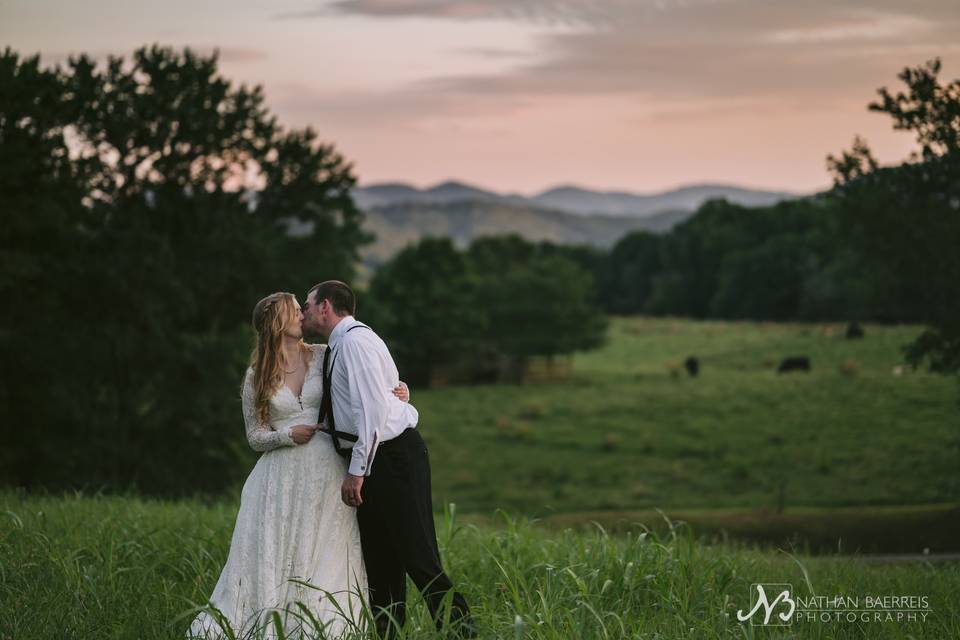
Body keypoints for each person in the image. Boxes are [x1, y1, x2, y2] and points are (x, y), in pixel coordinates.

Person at [188, 292, 412, 639]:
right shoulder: (257, 375)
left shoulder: (324, 356)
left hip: (325, 471)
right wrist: (287, 435)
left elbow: (366, 385)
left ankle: (322, 627)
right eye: (295, 311)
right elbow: (255, 436)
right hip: (277, 477)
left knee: (324, 547)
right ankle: (268, 621)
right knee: (275, 549)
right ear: (277, 322)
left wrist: (398, 391)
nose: (302, 317)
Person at [301, 280, 475, 639]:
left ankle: (462, 632)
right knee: (381, 561)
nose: (303, 312)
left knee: (417, 555)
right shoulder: (342, 344)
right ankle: (388, 634)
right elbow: (384, 391)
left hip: (392, 458)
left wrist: (357, 471)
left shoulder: (355, 343)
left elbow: (373, 415)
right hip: (376, 456)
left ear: (325, 306)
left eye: (307, 304)